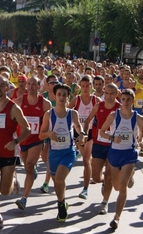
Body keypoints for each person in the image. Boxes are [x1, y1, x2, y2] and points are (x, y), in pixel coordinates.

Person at [0, 76, 31, 230]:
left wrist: (15, 142)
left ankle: (13, 180)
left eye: (3, 85)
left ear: (8, 88)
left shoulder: (14, 108)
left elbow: (27, 129)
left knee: (4, 191)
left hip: (8, 153)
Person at [39, 84, 86, 223]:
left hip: (68, 152)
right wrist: (49, 134)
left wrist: (82, 134)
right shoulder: (49, 114)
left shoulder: (73, 113)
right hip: (54, 153)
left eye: (64, 95)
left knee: (59, 179)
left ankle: (60, 208)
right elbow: (40, 135)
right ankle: (62, 201)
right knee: (58, 182)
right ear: (54, 96)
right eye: (59, 94)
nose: (61, 97)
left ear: (68, 97)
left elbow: (78, 126)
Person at [99, 89, 143, 229]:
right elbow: (102, 131)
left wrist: (140, 140)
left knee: (122, 186)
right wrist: (112, 138)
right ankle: (130, 177)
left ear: (133, 101)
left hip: (129, 154)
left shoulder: (138, 118)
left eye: (128, 100)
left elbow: (142, 131)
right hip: (114, 153)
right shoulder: (113, 115)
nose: (125, 102)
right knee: (116, 185)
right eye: (123, 99)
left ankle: (116, 218)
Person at [13, 77, 51, 210]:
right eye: (29, 84)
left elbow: (50, 123)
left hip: (36, 140)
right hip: (23, 140)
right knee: (27, 167)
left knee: (29, 164)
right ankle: (32, 171)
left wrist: (47, 138)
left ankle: (24, 198)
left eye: (34, 84)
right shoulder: (18, 102)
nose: (31, 86)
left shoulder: (45, 104)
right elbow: (11, 118)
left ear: (38, 86)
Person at [83, 83, 120, 215]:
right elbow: (88, 120)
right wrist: (84, 134)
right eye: (107, 93)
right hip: (98, 144)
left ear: (117, 94)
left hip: (113, 146)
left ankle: (104, 203)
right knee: (97, 177)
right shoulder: (99, 106)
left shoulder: (119, 109)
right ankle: (104, 182)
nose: (109, 96)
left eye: (112, 94)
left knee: (109, 174)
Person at [68, 75, 101, 200]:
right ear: (80, 87)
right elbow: (66, 112)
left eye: (87, 86)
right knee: (87, 158)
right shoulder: (76, 100)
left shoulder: (95, 100)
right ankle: (94, 167)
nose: (85, 88)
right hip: (78, 132)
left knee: (86, 160)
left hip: (91, 132)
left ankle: (85, 189)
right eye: (83, 86)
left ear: (91, 87)